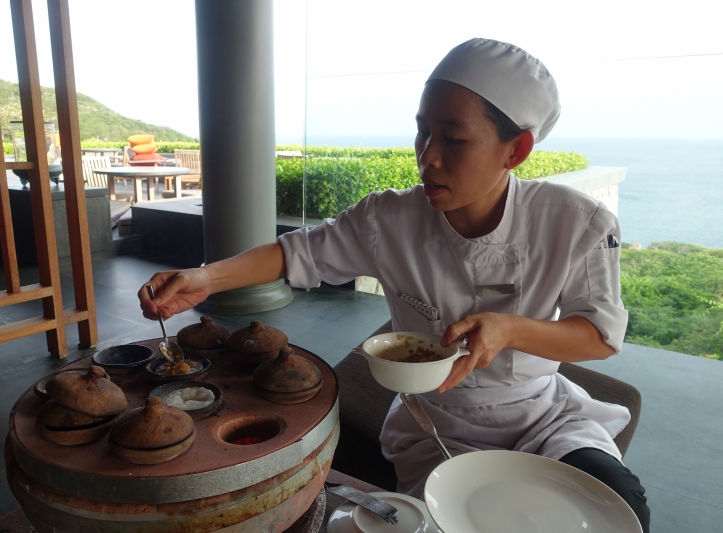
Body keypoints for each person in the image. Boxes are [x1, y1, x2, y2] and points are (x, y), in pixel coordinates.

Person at [139, 37, 649, 531]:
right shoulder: (390, 219)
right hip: (435, 424)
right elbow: (298, 252)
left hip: (542, 421)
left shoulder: (576, 223)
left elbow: (600, 336)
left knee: (620, 504)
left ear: (515, 150)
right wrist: (204, 277)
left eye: (453, 138)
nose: (427, 156)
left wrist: (509, 329)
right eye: (422, 131)